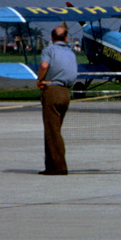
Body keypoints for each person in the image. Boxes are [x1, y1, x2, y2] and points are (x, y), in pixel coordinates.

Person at [35, 23, 79, 175]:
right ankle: (50, 166)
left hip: (52, 90)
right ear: (66, 39)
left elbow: (44, 64)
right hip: (66, 93)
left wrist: (40, 80)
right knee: (54, 130)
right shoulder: (71, 53)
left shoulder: (49, 49)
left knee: (52, 131)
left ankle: (59, 167)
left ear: (51, 38)